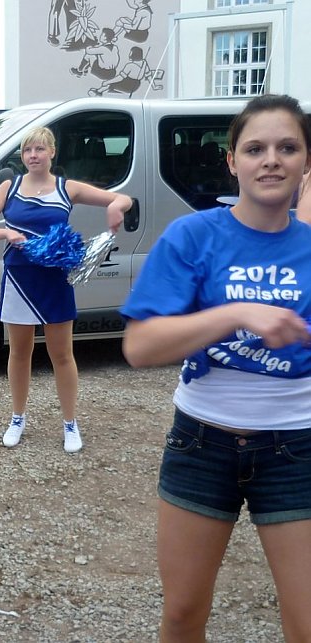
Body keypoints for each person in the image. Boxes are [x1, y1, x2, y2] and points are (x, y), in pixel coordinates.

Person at [121, 94, 311, 642]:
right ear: (232, 161)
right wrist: (235, 313)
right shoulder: (192, 236)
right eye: (255, 148)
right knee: (182, 615)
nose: (270, 159)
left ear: (304, 162)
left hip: (296, 448)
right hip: (201, 445)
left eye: (287, 147)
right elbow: (139, 346)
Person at [0, 126, 130, 453]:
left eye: (40, 149)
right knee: (19, 352)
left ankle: (70, 423)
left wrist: (116, 207)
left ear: (52, 153)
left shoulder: (65, 188)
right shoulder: (8, 187)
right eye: (28, 150)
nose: (33, 156)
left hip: (54, 279)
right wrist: (5, 235)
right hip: (19, 279)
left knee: (62, 354)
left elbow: (123, 197)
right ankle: (17, 417)